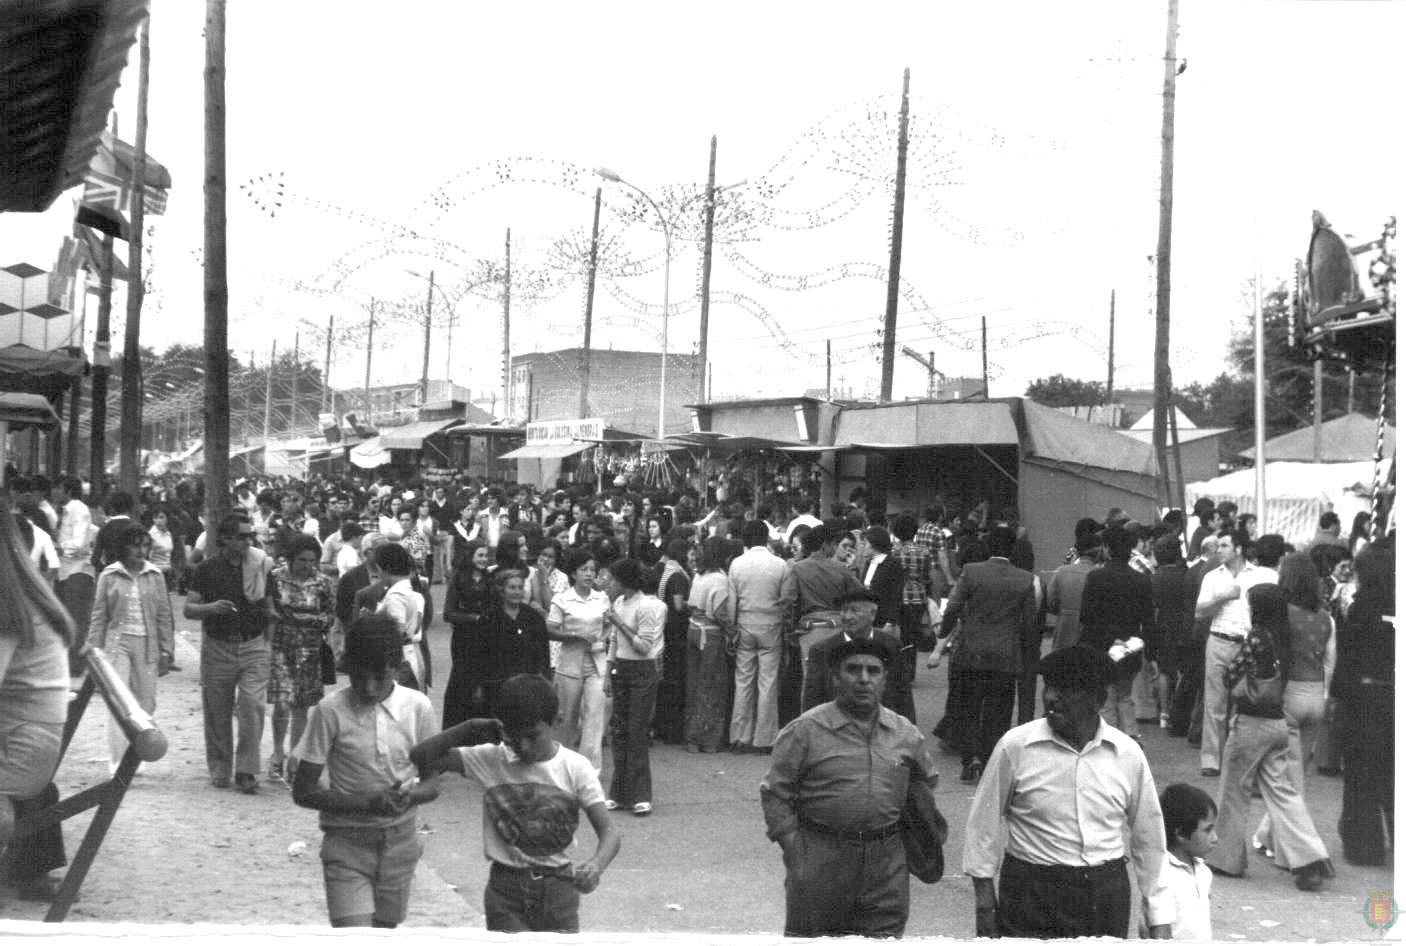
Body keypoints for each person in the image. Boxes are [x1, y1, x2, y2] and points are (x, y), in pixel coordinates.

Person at [963, 645, 1170, 939]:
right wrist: (984, 905)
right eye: (1048, 687)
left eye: (1065, 690)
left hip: (1104, 897)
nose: (1050, 698)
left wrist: (1159, 916)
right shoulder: (1016, 747)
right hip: (1031, 895)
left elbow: (1149, 839)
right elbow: (981, 827)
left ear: (1097, 699)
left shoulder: (1127, 754)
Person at [410, 674, 621, 933]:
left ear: (557, 720)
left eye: (533, 736)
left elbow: (610, 833)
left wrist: (595, 866)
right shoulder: (491, 759)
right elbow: (420, 755)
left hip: (558, 890)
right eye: (513, 737)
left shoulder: (576, 768)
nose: (523, 746)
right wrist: (470, 727)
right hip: (505, 891)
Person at [760, 636, 939, 938]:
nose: (864, 679)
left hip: (886, 866)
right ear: (834, 678)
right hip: (822, 858)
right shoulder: (805, 731)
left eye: (873, 671)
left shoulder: (905, 734)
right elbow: (776, 793)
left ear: (884, 680)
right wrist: (795, 849)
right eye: (853, 670)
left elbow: (924, 784)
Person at [292, 614, 440, 928]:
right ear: (348, 668)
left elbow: (432, 783)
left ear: (398, 668)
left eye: (380, 678)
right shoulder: (330, 711)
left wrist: (410, 795)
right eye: (359, 677)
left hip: (400, 844)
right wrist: (366, 804)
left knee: (385, 930)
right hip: (346, 844)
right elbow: (303, 792)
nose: (369, 688)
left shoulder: (418, 708)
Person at [1204, 585, 1333, 891]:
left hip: (1250, 722)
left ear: (1258, 608)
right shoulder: (1286, 637)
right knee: (1283, 793)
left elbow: (1229, 676)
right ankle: (1309, 858)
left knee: (1234, 791)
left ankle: (1226, 859)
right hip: (1277, 724)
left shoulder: (1257, 636)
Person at [0, 500, 74, 902]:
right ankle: (26, 872)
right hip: (28, 736)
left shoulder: (7, 606)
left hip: (23, 746)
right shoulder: (22, 594)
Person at [938, 524, 1037, 783]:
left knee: (969, 706)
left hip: (970, 652)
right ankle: (990, 759)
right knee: (998, 710)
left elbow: (954, 606)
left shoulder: (972, 572)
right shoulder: (1025, 579)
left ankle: (969, 758)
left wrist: (944, 632)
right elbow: (1028, 624)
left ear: (989, 547)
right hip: (1005, 655)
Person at [186, 514, 274, 793]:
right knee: (217, 711)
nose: (248, 542)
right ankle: (220, 767)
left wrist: (268, 640)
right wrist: (212, 608)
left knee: (252, 707)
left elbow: (270, 606)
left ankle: (247, 770)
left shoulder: (260, 566)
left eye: (250, 536)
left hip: (253, 645)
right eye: (241, 536)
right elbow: (189, 608)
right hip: (218, 646)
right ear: (225, 538)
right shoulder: (207, 569)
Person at [88, 522, 176, 774]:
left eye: (145, 545)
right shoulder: (109, 575)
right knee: (120, 703)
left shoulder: (156, 575)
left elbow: (163, 615)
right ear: (123, 547)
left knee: (145, 703)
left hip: (147, 643)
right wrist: (93, 649)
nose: (140, 551)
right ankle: (117, 761)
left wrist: (167, 650)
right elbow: (99, 615)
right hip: (118, 643)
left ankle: (136, 754)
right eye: (134, 545)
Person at [1194, 529, 1277, 776]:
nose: (1218, 550)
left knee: (1244, 703)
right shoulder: (1212, 577)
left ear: (1239, 549)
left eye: (1224, 546)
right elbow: (1199, 612)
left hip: (1247, 643)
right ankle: (1211, 760)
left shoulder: (1263, 575)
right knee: (1215, 703)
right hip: (1219, 640)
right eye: (1218, 546)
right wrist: (1222, 596)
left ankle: (1238, 758)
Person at [1332, 537, 1393, 865]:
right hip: (1393, 697)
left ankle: (1364, 845)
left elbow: (1348, 658)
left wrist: (1337, 696)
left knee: (1361, 775)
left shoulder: (1359, 608)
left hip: (1363, 702)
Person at [266, 532, 337, 781]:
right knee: (281, 703)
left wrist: (313, 620)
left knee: (301, 707)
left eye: (312, 560)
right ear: (290, 559)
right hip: (281, 647)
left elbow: (330, 616)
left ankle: (295, 757)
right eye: (302, 560)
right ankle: (276, 754)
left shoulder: (323, 583)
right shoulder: (274, 578)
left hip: (310, 649)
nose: (307, 565)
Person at [600, 557, 665, 815]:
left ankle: (641, 794)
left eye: (613, 580)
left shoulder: (645, 606)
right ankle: (619, 792)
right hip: (621, 670)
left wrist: (618, 623)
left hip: (642, 672)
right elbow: (614, 642)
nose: (609, 584)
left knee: (637, 731)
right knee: (620, 731)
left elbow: (644, 646)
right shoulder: (618, 603)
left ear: (624, 581)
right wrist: (607, 672)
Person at [728, 519, 796, 753]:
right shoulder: (780, 565)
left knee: (743, 681)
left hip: (745, 624)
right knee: (768, 683)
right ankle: (764, 738)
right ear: (766, 538)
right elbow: (787, 601)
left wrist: (732, 629)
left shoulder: (736, 564)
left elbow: (731, 602)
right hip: (771, 625)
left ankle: (739, 736)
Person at [545, 548, 610, 772]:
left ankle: (590, 771)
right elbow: (551, 629)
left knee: (594, 717)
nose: (589, 574)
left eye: (593, 570)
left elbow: (609, 624)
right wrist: (575, 636)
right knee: (566, 718)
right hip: (570, 663)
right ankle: (559, 767)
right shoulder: (562, 599)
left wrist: (601, 638)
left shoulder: (602, 598)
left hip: (597, 663)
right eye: (584, 570)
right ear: (573, 573)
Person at [802, 590, 901, 712]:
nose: (847, 616)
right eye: (844, 610)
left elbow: (903, 696)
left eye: (854, 611)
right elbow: (812, 701)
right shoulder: (822, 650)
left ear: (872, 614)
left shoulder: (891, 645)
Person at [470, 570, 551, 718]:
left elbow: (543, 653)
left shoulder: (533, 617)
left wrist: (545, 682)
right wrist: (478, 686)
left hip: (527, 686)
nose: (517, 592)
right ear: (502, 590)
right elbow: (478, 655)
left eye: (520, 588)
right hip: (497, 687)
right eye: (512, 587)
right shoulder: (489, 618)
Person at [684, 536, 736, 753]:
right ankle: (708, 738)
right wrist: (732, 631)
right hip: (711, 634)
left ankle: (691, 737)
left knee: (694, 683)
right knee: (713, 685)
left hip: (693, 628)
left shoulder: (699, 575)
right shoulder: (720, 580)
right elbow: (720, 612)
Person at [1148, 783, 1217, 941]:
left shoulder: (1203, 871)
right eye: (1208, 830)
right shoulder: (1162, 876)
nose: (1215, 838)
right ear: (1181, 833)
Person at [652, 538, 691, 744]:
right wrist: (693, 604)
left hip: (665, 629)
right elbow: (678, 604)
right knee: (675, 680)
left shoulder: (663, 571)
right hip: (677, 632)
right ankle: (672, 729)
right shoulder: (678, 575)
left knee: (665, 679)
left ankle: (660, 726)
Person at [1047, 529, 1099, 651]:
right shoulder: (1099, 575)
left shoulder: (1061, 571)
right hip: (1089, 636)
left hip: (1063, 632)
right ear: (1098, 551)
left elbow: (1050, 602)